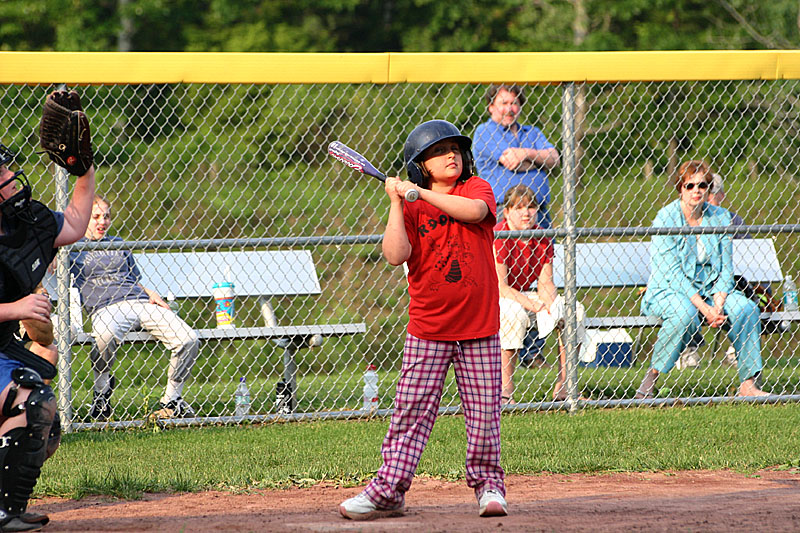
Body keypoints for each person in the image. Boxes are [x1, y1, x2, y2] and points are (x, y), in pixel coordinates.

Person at [339, 120, 507, 521]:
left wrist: (418, 193)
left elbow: (476, 212)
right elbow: (395, 254)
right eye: (438, 151)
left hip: (479, 326)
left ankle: (489, 487)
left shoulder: (475, 188)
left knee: (484, 414)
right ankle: (388, 492)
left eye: (454, 148)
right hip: (428, 329)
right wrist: (398, 202)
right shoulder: (411, 203)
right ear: (421, 164)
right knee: (410, 413)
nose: (450, 155)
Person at [0, 90, 96, 532]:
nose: (9, 176)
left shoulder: (22, 220)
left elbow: (75, 223)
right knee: (26, 399)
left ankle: (9, 510)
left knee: (44, 424)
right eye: (0, 172)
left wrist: (82, 170)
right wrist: (16, 307)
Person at [636, 160, 768, 399]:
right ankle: (651, 379)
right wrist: (704, 308)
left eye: (703, 185)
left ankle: (748, 385)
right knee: (684, 313)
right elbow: (672, 274)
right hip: (669, 289)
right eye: (690, 185)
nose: (696, 190)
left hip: (712, 289)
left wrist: (717, 304)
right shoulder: (665, 219)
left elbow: (725, 268)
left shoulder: (720, 217)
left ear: (709, 189)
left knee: (746, 308)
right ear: (680, 188)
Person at [69, 195, 199, 421]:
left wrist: (150, 293)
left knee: (188, 338)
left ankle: (172, 400)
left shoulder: (118, 242)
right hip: (105, 307)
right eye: (96, 217)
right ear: (83, 219)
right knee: (104, 335)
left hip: (139, 301)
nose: (103, 222)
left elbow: (132, 279)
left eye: (106, 216)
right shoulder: (71, 248)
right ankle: (102, 392)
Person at [473, 84, 560, 367]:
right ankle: (500, 351)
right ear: (491, 107)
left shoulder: (530, 132)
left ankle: (533, 352)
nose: (509, 108)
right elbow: (510, 162)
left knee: (539, 280)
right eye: (503, 103)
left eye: (514, 103)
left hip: (538, 218)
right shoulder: (485, 132)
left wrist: (526, 153)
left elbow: (554, 157)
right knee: (503, 282)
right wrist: (536, 158)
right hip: (502, 216)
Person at [494, 185, 587, 403]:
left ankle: (565, 386)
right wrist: (533, 305)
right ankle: (505, 391)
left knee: (575, 311)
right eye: (518, 207)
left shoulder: (542, 236)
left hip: (528, 294)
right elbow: (501, 287)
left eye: (531, 206)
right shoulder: (501, 235)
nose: (526, 212)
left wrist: (550, 304)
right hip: (498, 296)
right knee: (513, 314)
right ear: (506, 212)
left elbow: (545, 282)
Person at [676, 172, 754, 369]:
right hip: (694, 282)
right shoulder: (682, 218)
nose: (706, 197)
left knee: (745, 292)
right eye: (702, 191)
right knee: (685, 295)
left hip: (729, 279)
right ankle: (689, 349)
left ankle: (737, 349)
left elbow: (750, 258)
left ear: (721, 196)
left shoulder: (732, 220)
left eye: (712, 192)